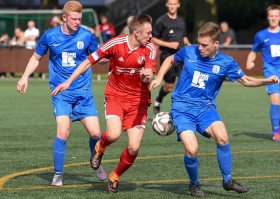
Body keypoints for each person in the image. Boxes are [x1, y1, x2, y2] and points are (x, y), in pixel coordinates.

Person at [149, 22, 280, 197]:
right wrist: (159, 78)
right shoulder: (189, 52)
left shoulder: (226, 62)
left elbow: (246, 81)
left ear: (216, 44)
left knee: (223, 138)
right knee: (192, 149)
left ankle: (228, 181)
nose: (200, 48)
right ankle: (194, 184)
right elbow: (169, 59)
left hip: (205, 108)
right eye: (199, 43)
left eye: (205, 45)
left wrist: (266, 81)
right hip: (182, 108)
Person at [51, 13, 156, 193]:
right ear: (137, 32)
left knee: (134, 147)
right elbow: (88, 61)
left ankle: (115, 176)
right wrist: (68, 81)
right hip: (115, 96)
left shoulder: (150, 48)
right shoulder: (115, 44)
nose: (150, 36)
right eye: (148, 33)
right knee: (113, 134)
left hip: (138, 101)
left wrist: (147, 75)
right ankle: (100, 147)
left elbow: (149, 70)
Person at [16, 0, 107, 187]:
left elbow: (98, 57)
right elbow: (36, 57)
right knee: (63, 132)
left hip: (83, 92)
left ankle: (96, 163)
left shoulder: (87, 36)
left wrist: (108, 58)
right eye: (74, 19)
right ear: (64, 18)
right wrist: (24, 77)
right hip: (61, 92)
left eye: (80, 19)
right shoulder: (50, 36)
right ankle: (58, 175)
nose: (77, 22)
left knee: (96, 133)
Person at [246, 5, 280, 142]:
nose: (273, 18)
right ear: (268, 17)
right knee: (276, 99)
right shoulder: (261, 35)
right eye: (271, 15)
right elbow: (254, 51)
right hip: (270, 70)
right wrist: (250, 61)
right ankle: (275, 131)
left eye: (276, 16)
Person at [152, 0, 191, 115]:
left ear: (178, 5)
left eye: (175, 4)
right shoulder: (161, 21)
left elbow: (183, 37)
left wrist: (190, 46)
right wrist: (169, 44)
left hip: (181, 57)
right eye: (170, 4)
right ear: (167, 5)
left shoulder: (182, 21)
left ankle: (182, 109)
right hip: (167, 57)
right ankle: (159, 98)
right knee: (169, 87)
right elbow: (153, 39)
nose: (172, 6)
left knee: (185, 82)